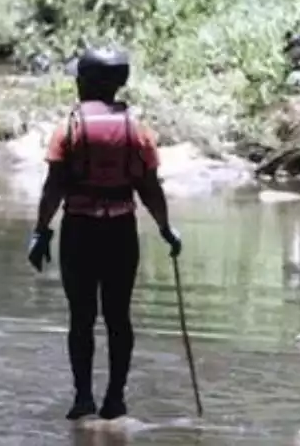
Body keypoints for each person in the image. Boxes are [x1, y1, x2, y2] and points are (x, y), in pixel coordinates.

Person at [25, 47, 183, 421]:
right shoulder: (137, 130)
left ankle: (82, 397)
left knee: (81, 317)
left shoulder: (69, 128)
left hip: (79, 233)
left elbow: (53, 187)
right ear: (119, 84)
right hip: (120, 235)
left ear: (85, 83)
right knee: (118, 317)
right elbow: (150, 188)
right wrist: (165, 228)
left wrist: (41, 231)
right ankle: (115, 398)